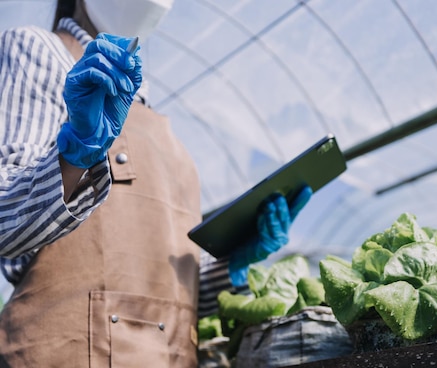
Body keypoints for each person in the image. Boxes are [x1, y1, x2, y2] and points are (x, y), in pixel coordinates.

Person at [0, 0, 311, 366]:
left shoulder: (149, 108)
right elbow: (6, 223)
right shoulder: (40, 50)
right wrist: (74, 155)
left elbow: (156, 289)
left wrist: (234, 260)